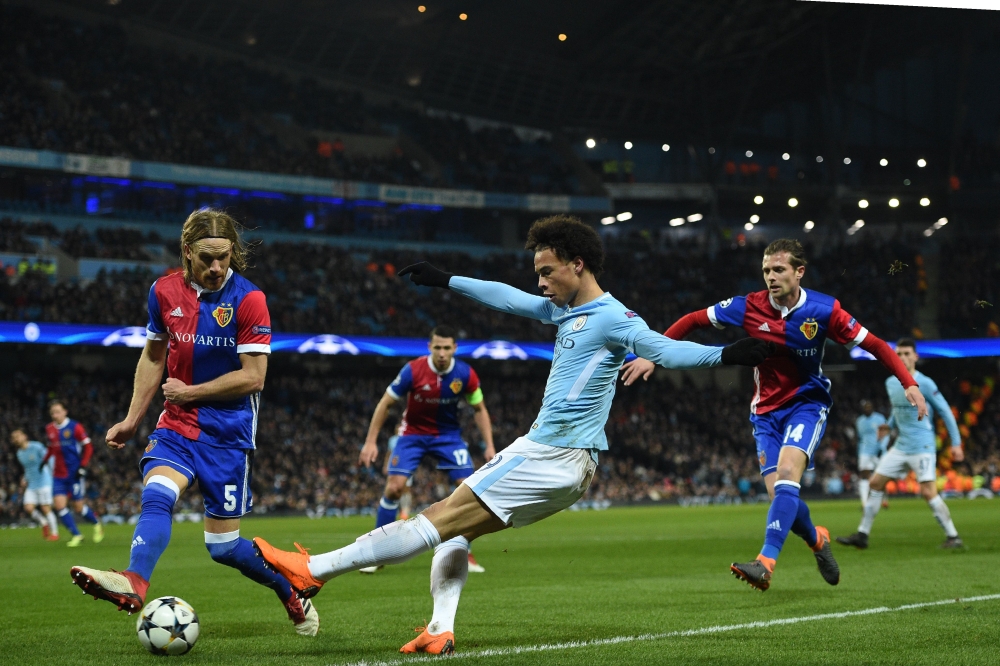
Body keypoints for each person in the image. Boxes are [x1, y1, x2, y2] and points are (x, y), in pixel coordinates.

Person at [253, 215, 772, 654]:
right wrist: (447, 280)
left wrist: (725, 354)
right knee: (457, 533)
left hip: (552, 450)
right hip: (570, 463)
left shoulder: (613, 317)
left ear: (578, 264)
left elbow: (662, 349)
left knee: (436, 517)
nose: (541, 283)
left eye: (547, 272)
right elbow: (507, 298)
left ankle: (313, 569)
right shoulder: (566, 310)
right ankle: (439, 629)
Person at [620, 238, 927, 591]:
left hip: (806, 404)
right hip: (765, 412)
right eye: (766, 270)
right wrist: (653, 354)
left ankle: (764, 563)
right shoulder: (747, 306)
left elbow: (874, 344)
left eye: (779, 269)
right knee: (781, 496)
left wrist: (909, 383)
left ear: (799, 272)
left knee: (786, 476)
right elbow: (694, 320)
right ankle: (817, 539)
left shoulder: (825, 310)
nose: (770, 276)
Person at [68, 208, 319, 636]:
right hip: (176, 425)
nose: (217, 266)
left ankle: (289, 588)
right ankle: (134, 581)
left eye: (224, 256)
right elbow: (153, 356)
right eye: (207, 257)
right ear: (187, 252)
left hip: (228, 433)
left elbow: (253, 377)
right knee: (157, 494)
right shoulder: (163, 292)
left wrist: (191, 392)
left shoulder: (249, 299)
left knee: (223, 547)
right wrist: (132, 419)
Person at [357, 326, 494, 574]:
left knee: (468, 490)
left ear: (454, 348)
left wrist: (490, 446)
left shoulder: (465, 374)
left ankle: (463, 553)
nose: (441, 353)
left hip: (448, 436)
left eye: (446, 348)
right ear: (429, 347)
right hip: (413, 434)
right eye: (437, 347)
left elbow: (479, 409)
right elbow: (386, 403)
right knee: (394, 488)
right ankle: (377, 553)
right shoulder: (413, 370)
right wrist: (370, 441)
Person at [836, 339, 964, 549]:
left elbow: (945, 411)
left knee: (928, 492)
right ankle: (862, 535)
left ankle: (953, 536)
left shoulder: (925, 383)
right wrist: (888, 425)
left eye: (907, 354)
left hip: (922, 446)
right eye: (899, 354)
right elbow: (898, 409)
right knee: (875, 483)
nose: (903, 357)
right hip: (901, 446)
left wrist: (956, 443)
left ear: (916, 357)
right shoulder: (891, 383)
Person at [44, 400, 103, 547]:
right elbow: (51, 448)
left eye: (58, 412)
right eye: (52, 413)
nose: (55, 415)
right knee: (60, 506)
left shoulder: (75, 427)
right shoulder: (49, 428)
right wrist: (44, 461)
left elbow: (88, 447)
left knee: (78, 507)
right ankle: (77, 535)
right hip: (58, 475)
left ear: (65, 412)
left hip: (74, 473)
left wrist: (82, 466)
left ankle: (96, 524)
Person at [12, 428, 59, 541]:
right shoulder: (19, 454)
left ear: (24, 436)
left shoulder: (36, 447)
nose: (16, 439)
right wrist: (25, 479)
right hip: (32, 484)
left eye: (17, 436)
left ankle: (55, 533)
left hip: (44, 481)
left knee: (45, 508)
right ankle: (44, 523)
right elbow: (28, 468)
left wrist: (53, 473)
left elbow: (50, 458)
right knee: (28, 507)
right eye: (14, 438)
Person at [854, 400, 890, 505]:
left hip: (878, 452)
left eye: (869, 406)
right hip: (864, 452)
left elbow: (885, 434)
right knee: (864, 475)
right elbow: (859, 438)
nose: (867, 409)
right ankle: (865, 502)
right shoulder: (859, 421)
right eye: (865, 407)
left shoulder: (879, 418)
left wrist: (882, 447)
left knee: (881, 475)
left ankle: (884, 499)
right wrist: (858, 452)